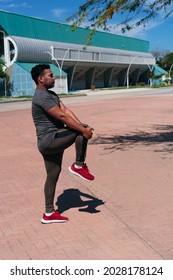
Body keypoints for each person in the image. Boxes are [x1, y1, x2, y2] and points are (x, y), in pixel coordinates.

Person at [31, 64, 95, 224]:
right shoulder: (41, 96)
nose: (54, 78)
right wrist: (83, 130)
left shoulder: (51, 94)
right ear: (41, 79)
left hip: (50, 140)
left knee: (52, 175)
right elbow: (62, 117)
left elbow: (66, 111)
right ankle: (78, 165)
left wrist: (82, 127)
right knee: (81, 129)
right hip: (51, 139)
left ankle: (48, 213)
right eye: (51, 75)